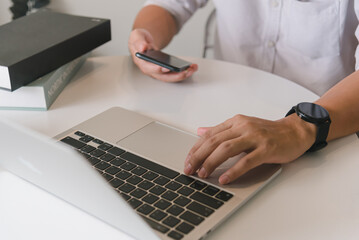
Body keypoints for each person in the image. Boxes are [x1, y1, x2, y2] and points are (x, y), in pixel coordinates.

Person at [128, 0, 359, 185]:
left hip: (326, 130)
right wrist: (145, 36)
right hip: (223, 120)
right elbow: (169, 4)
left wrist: (298, 128)